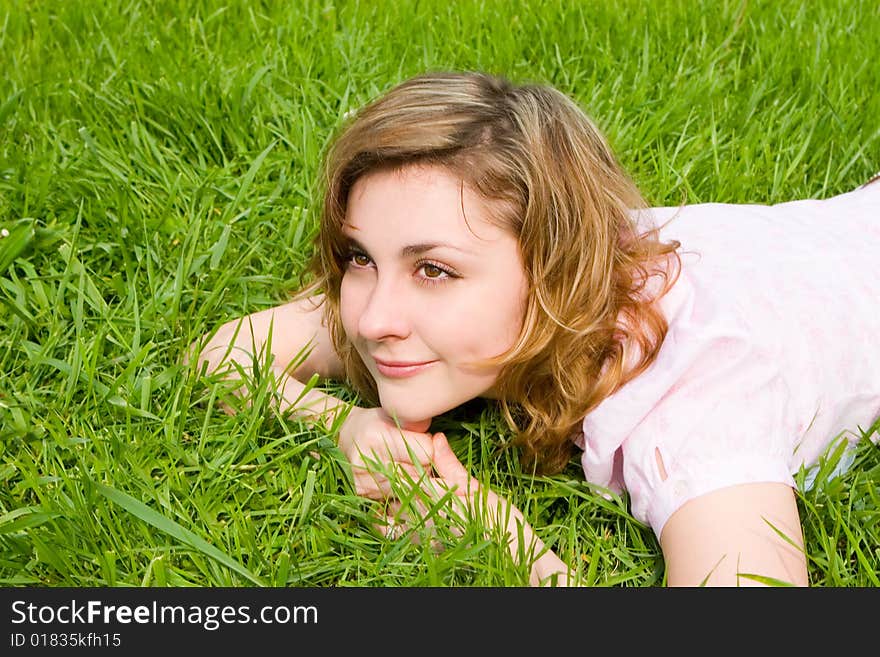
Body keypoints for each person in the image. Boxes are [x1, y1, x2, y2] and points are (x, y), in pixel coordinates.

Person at [186, 71, 880, 587]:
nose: (371, 318)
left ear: (553, 271)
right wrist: (345, 427)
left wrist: (506, 545)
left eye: (433, 269)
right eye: (361, 257)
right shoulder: (484, 280)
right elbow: (222, 355)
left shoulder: (696, 395)